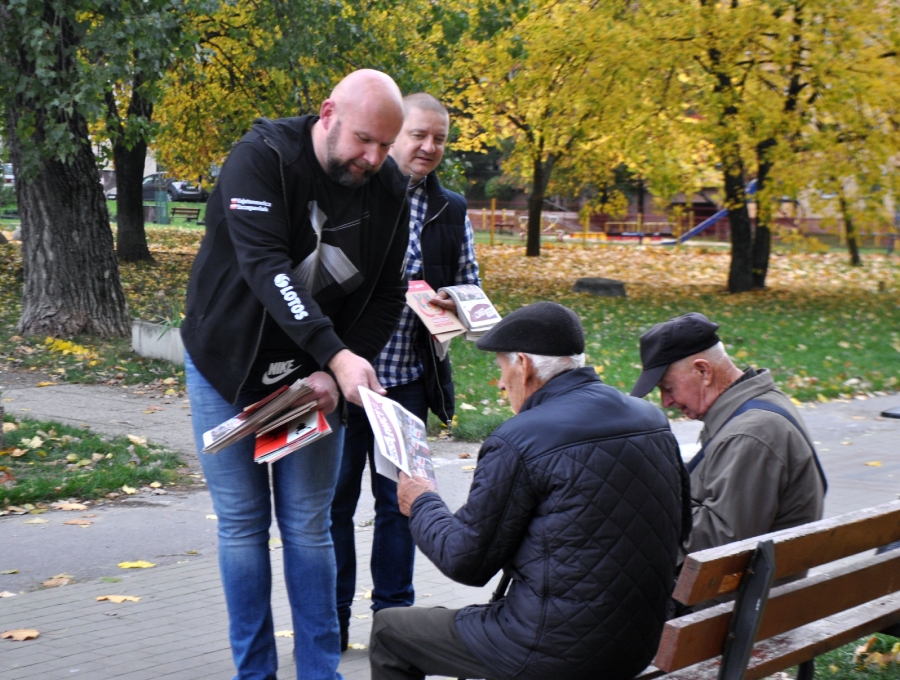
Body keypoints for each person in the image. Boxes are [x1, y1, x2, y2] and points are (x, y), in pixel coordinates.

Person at [180, 69, 410, 680]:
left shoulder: (388, 185)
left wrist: (335, 368)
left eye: (386, 145)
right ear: (328, 113)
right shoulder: (262, 159)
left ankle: (319, 672)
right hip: (227, 364)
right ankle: (254, 673)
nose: (374, 158)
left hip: (313, 381)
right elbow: (267, 267)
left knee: (308, 526)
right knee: (243, 525)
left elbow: (389, 294)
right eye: (364, 139)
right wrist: (336, 355)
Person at [369, 302, 689, 680]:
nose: (501, 383)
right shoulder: (651, 419)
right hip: (639, 641)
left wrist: (421, 502)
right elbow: (681, 526)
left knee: (390, 631)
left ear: (523, 364)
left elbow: (465, 562)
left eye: (501, 368)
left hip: (554, 650)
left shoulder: (520, 438)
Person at [329, 93, 480, 649]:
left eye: (439, 139)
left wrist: (453, 302)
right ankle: (331, 624)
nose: (429, 147)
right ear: (395, 136)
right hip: (345, 384)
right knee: (334, 505)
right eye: (419, 135)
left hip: (407, 384)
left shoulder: (450, 209)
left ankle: (393, 628)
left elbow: (472, 288)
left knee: (402, 506)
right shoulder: (354, 192)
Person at [630, 312, 826, 557]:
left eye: (669, 388)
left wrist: (645, 511)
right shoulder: (759, 403)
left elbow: (719, 543)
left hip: (735, 581)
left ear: (703, 371)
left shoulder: (749, 434)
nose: (666, 402)